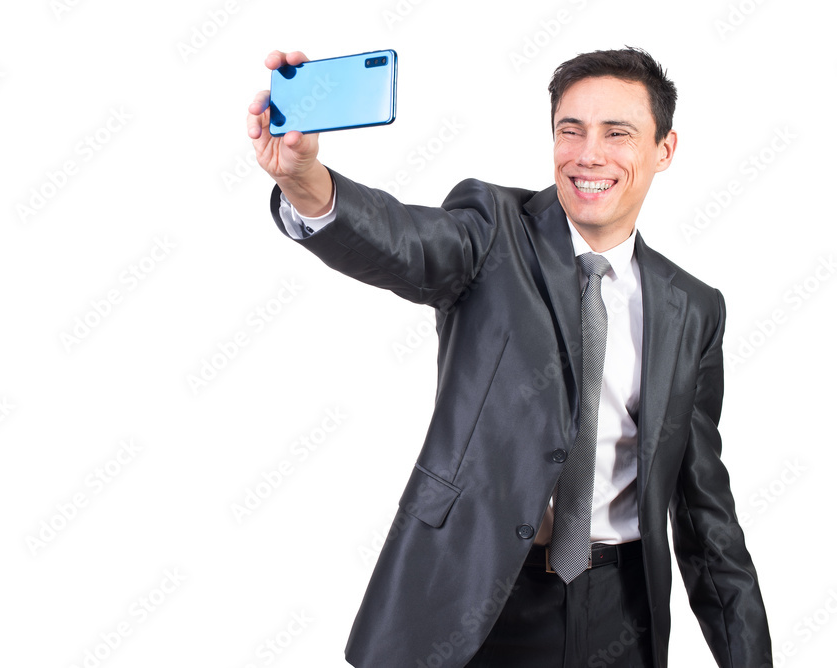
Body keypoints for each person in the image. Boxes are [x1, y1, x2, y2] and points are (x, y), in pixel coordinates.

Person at [247, 47, 771, 668]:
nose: (589, 155)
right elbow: (404, 244)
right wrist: (305, 180)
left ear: (665, 149)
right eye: (570, 131)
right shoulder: (492, 228)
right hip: (478, 597)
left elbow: (705, 508)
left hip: (623, 610)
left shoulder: (694, 308)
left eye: (617, 133)